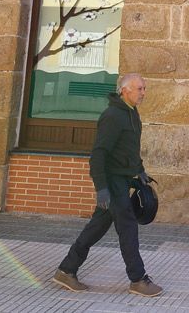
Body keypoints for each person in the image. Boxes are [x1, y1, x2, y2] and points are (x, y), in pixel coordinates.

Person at [52, 72, 163, 297]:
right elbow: (99, 153)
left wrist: (139, 169)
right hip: (112, 181)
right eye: (139, 88)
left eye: (144, 88)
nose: (143, 93)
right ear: (124, 90)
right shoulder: (113, 115)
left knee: (97, 227)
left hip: (123, 178)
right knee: (128, 227)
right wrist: (101, 187)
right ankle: (138, 279)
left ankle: (66, 270)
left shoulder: (132, 113)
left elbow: (129, 148)